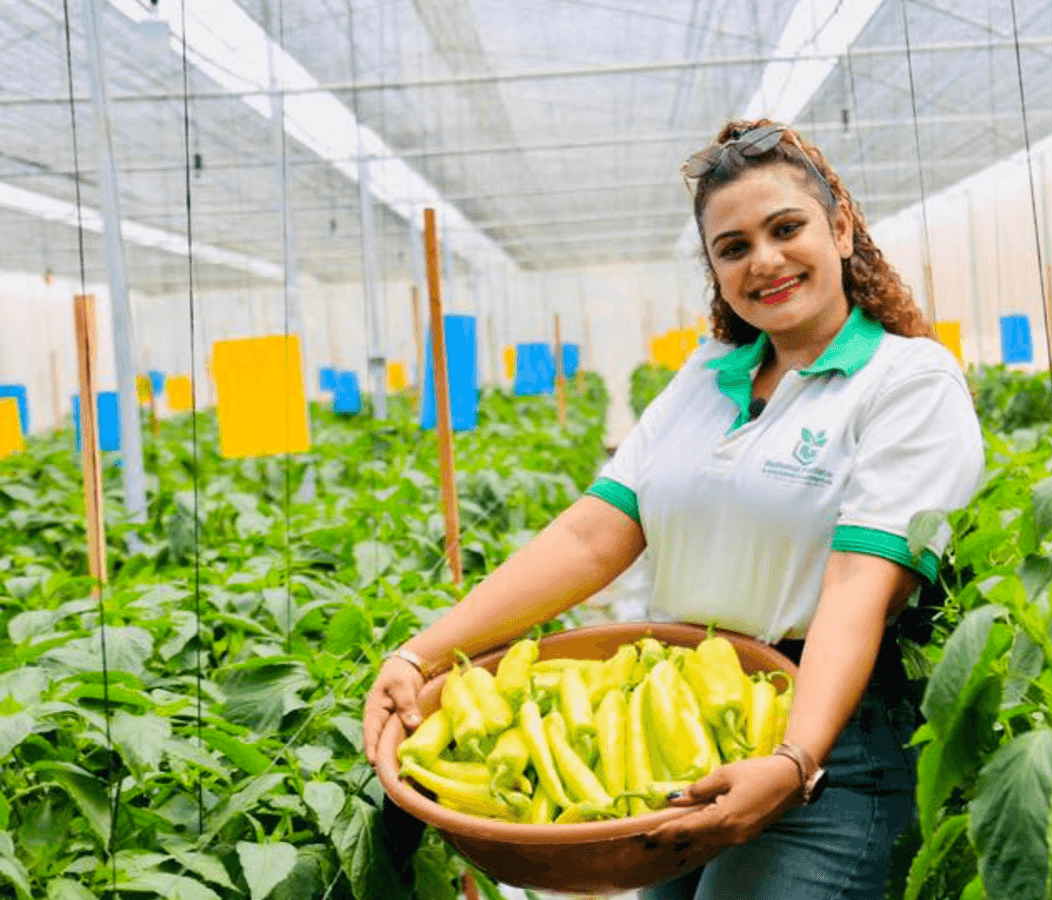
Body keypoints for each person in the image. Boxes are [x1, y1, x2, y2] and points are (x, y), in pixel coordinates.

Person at [361, 119, 985, 900]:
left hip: (831, 747)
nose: (765, 261)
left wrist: (794, 762)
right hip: (683, 727)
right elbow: (595, 534)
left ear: (842, 229)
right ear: (715, 269)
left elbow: (862, 583)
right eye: (733, 247)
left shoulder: (908, 381)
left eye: (786, 229)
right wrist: (421, 654)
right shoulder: (710, 372)